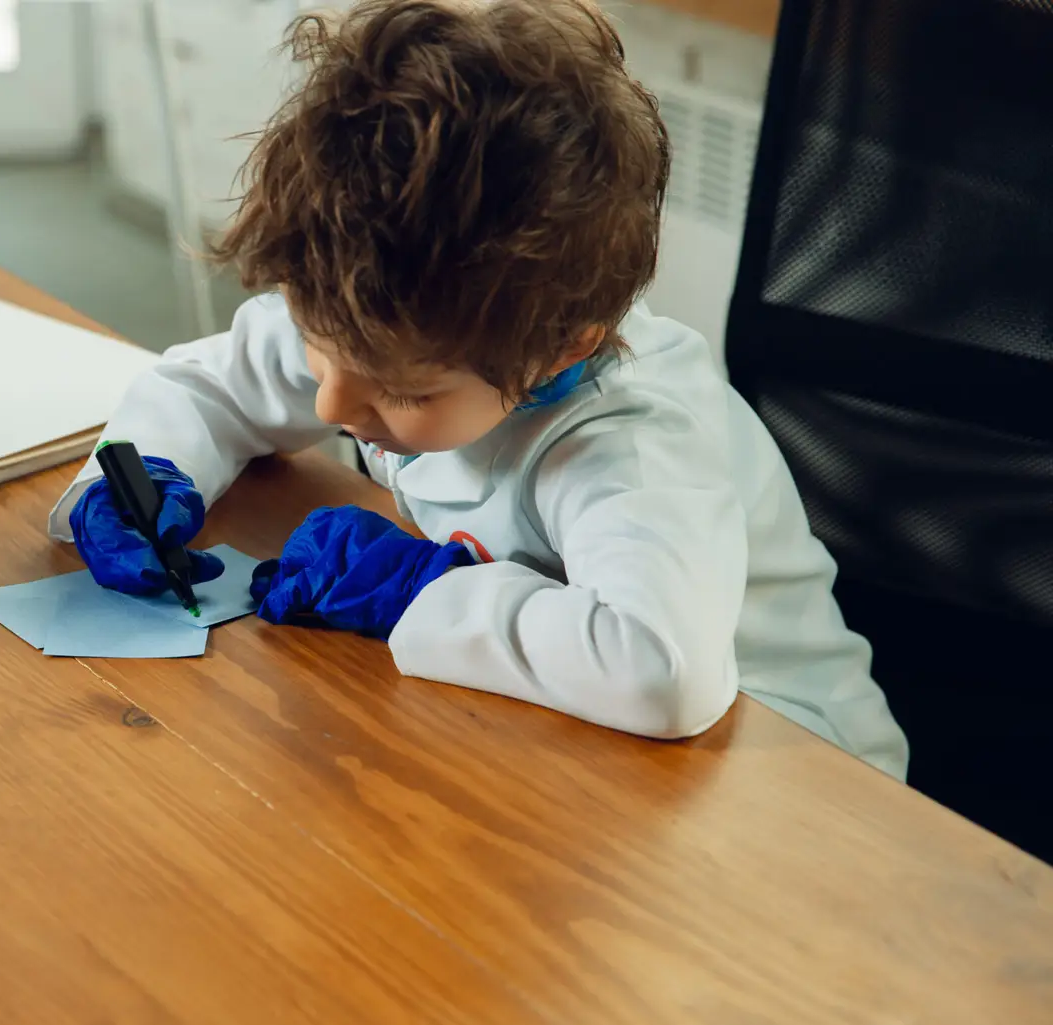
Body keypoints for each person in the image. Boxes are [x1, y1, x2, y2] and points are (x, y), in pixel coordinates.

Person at [51, 0, 907, 777]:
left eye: (399, 394)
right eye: (316, 344)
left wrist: (423, 593)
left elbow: (663, 673)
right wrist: (141, 477)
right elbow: (211, 386)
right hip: (582, 740)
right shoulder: (389, 319)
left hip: (787, 779)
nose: (331, 408)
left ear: (563, 348)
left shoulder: (633, 442)